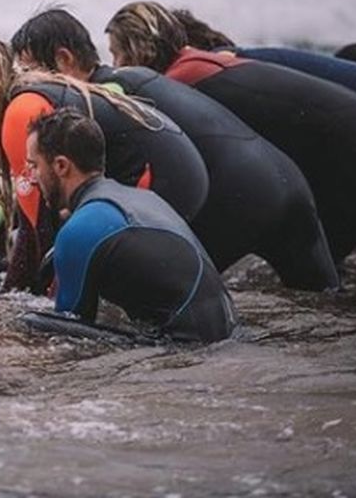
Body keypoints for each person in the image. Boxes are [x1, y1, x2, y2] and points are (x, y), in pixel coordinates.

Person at [9, 8, 339, 290]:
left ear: (63, 59)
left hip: (239, 198)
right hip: (286, 179)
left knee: (183, 304)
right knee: (329, 302)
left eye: (29, 70)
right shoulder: (135, 79)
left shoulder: (100, 98)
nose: (26, 81)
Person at [106, 1, 356, 281]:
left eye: (116, 54)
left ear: (138, 49)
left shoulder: (181, 80)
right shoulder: (200, 62)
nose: (115, 65)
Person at [0, 26, 209, 293]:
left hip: (162, 180)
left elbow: (36, 232)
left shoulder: (20, 110)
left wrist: (8, 303)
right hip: (181, 171)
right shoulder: (26, 89)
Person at [26, 107, 237, 342]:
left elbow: (67, 328)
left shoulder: (79, 230)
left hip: (187, 346)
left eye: (35, 166)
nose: (32, 178)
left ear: (61, 166)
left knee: (32, 324)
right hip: (226, 328)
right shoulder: (141, 199)